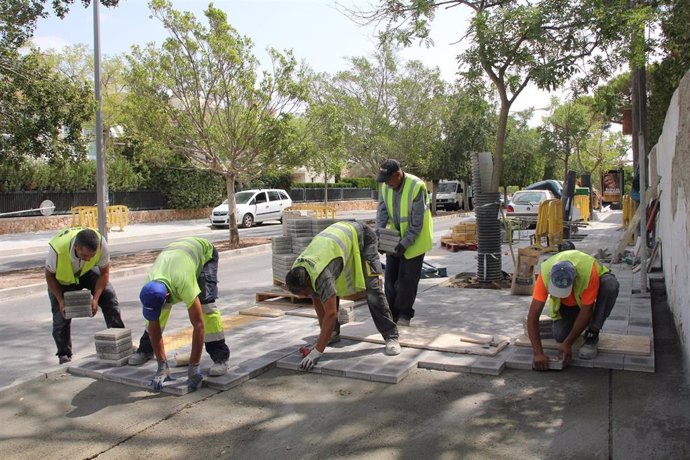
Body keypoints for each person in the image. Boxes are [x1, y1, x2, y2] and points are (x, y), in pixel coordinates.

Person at [285, 220, 401, 371]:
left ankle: (391, 335)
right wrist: (324, 335)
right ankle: (333, 333)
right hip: (339, 246)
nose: (307, 295)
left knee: (372, 290)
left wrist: (317, 352)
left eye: (305, 292)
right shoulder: (298, 269)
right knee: (322, 293)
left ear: (307, 279)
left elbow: (331, 314)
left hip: (364, 238)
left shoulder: (321, 274)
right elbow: (316, 297)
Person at [129, 237, 230, 392]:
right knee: (157, 317)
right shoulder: (150, 285)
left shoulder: (182, 282)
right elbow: (153, 323)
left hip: (205, 255)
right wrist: (162, 365)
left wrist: (194, 366)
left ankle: (220, 357)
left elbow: (198, 325)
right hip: (176, 257)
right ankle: (146, 349)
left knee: (206, 307)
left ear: (168, 295)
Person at [526, 249, 620, 370]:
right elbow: (533, 315)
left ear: (575, 278)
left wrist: (568, 343)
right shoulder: (544, 274)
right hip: (572, 303)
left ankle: (592, 332)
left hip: (592, 291)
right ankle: (579, 322)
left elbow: (586, 310)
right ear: (550, 275)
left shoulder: (588, 273)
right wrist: (538, 353)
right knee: (560, 336)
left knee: (610, 285)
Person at [45, 227, 125, 364]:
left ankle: (120, 341)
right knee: (61, 316)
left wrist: (96, 299)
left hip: (86, 273)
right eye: (85, 256)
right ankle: (64, 354)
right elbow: (49, 276)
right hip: (61, 280)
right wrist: (61, 301)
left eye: (92, 256)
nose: (88, 259)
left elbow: (104, 273)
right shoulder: (57, 250)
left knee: (109, 296)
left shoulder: (101, 243)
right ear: (76, 247)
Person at [375, 159, 434, 326]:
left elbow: (417, 222)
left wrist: (405, 244)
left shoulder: (416, 186)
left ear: (398, 175)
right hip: (396, 239)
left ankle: (405, 315)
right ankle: (392, 314)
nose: (386, 183)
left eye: (388, 179)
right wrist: (379, 238)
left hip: (416, 240)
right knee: (391, 278)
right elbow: (381, 214)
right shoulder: (386, 186)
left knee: (407, 280)